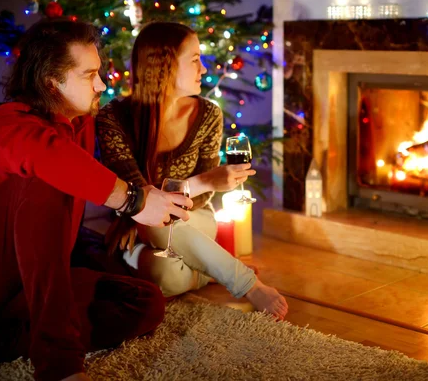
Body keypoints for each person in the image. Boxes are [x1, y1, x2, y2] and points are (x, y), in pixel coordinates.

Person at [0, 18, 193, 381]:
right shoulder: (11, 124)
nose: (101, 84)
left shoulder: (81, 123)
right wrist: (134, 200)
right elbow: (51, 157)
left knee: (144, 303)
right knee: (42, 176)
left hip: (32, 284)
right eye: (89, 75)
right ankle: (58, 364)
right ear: (51, 84)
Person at [96, 21, 288, 320]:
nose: (203, 68)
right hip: (140, 226)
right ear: (165, 66)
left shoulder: (208, 114)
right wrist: (205, 180)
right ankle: (222, 274)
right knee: (166, 274)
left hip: (194, 219)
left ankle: (232, 277)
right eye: (195, 59)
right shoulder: (113, 118)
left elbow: (196, 202)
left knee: (164, 228)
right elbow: (137, 198)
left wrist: (197, 188)